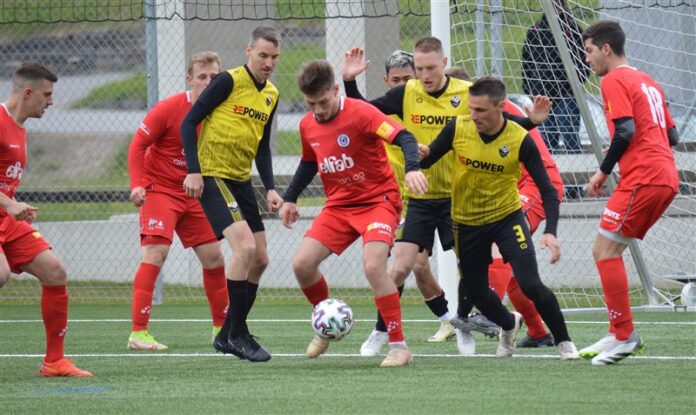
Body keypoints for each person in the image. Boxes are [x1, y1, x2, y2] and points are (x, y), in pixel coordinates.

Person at [279, 59, 428, 367]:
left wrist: (413, 168)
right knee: (302, 264)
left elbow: (404, 137)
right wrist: (290, 198)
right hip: (339, 206)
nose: (318, 110)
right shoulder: (307, 125)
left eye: (323, 102)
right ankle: (327, 322)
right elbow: (309, 162)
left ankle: (399, 347)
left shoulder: (361, 113)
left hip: (378, 202)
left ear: (336, 89)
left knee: (373, 266)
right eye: (310, 104)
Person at [420, 77, 579, 360]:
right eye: (471, 108)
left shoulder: (519, 138)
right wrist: (416, 153)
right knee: (477, 292)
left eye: (480, 110)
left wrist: (551, 231)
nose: (473, 115)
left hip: (507, 219)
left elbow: (547, 188)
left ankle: (564, 342)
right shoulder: (458, 128)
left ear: (500, 107)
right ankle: (509, 324)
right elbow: (427, 159)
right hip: (466, 223)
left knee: (531, 284)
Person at [342, 37, 470, 357]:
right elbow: (363, 112)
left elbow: (497, 122)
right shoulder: (405, 96)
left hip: (457, 196)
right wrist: (349, 81)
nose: (423, 76)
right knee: (403, 266)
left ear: (444, 64)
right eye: (419, 69)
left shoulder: (467, 94)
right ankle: (382, 330)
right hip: (414, 198)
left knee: (469, 265)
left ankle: (461, 322)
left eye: (428, 68)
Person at [181, 26, 284, 362]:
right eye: (263, 55)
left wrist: (270, 187)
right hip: (213, 175)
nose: (268, 62)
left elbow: (263, 146)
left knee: (261, 258)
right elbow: (189, 122)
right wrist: (194, 170)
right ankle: (238, 334)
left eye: (274, 57)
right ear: (248, 51)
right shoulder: (228, 81)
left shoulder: (271, 94)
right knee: (246, 248)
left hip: (241, 180)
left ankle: (228, 333)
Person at [579, 21, 679, 365]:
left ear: (606, 49)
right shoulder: (647, 80)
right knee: (609, 249)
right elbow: (672, 136)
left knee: (604, 251)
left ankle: (624, 336)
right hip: (665, 174)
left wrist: (603, 171)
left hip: (644, 177)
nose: (587, 59)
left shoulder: (613, 80)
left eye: (590, 51)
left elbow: (625, 130)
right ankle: (617, 331)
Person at [446, 66, 562, 349]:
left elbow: (519, 126)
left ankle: (486, 314)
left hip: (531, 186)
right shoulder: (469, 117)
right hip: (505, 187)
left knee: (498, 247)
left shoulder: (494, 110)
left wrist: (532, 120)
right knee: (513, 275)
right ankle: (538, 332)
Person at [127, 52, 228, 350]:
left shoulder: (224, 113)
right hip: (160, 189)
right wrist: (136, 185)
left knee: (214, 257)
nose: (208, 82)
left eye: (214, 77)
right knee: (156, 253)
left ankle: (222, 331)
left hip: (196, 194)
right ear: (190, 79)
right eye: (202, 76)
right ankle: (138, 334)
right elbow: (137, 146)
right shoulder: (169, 109)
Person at [0, 62, 92, 377]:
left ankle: (54, 361)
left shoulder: (20, 127)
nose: (51, 102)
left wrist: (12, 206)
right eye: (47, 95)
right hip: (5, 211)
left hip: (7, 219)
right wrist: (9, 203)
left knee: (54, 271)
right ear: (28, 93)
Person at [521, 0, 590, 154]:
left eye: (557, 3)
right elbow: (526, 62)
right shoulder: (535, 31)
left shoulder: (573, 31)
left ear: (563, 5)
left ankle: (576, 167)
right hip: (542, 96)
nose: (554, 6)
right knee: (546, 144)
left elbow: (584, 63)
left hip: (566, 96)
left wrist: (574, 87)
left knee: (570, 140)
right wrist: (530, 89)